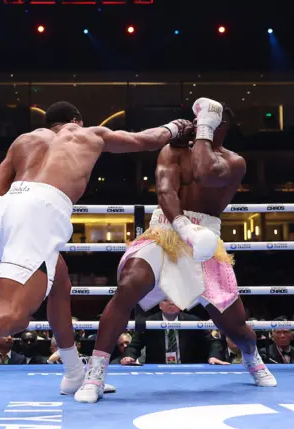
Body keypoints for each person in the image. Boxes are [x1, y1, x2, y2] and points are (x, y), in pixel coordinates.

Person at [0, 101, 193, 424]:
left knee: (59, 283)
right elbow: (146, 139)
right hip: (41, 211)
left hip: (10, 209)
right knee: (14, 315)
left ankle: (73, 371)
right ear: (76, 121)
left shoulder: (24, 141)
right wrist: (177, 128)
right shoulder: (89, 134)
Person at [75, 98, 276, 404]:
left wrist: (206, 131)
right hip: (167, 231)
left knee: (234, 325)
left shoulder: (234, 162)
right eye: (196, 120)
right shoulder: (172, 151)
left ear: (220, 127)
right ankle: (96, 374)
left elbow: (206, 173)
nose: (195, 125)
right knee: (128, 286)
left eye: (203, 121)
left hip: (206, 242)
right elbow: (165, 190)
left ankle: (252, 357)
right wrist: (183, 226)